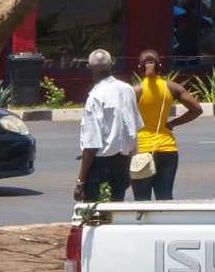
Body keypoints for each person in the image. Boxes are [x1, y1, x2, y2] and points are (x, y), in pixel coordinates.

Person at [130, 49, 203, 201]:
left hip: (141, 151)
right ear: (160, 67)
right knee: (164, 197)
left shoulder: (135, 91)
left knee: (141, 200)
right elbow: (196, 109)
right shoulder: (172, 88)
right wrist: (172, 123)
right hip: (167, 149)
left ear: (139, 68)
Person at [76, 49, 139, 203]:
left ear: (88, 69)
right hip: (122, 163)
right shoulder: (128, 90)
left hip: (99, 163)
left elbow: (92, 145)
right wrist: (128, 169)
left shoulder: (95, 97)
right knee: (116, 210)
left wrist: (80, 181)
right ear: (113, 65)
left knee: (94, 212)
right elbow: (133, 131)